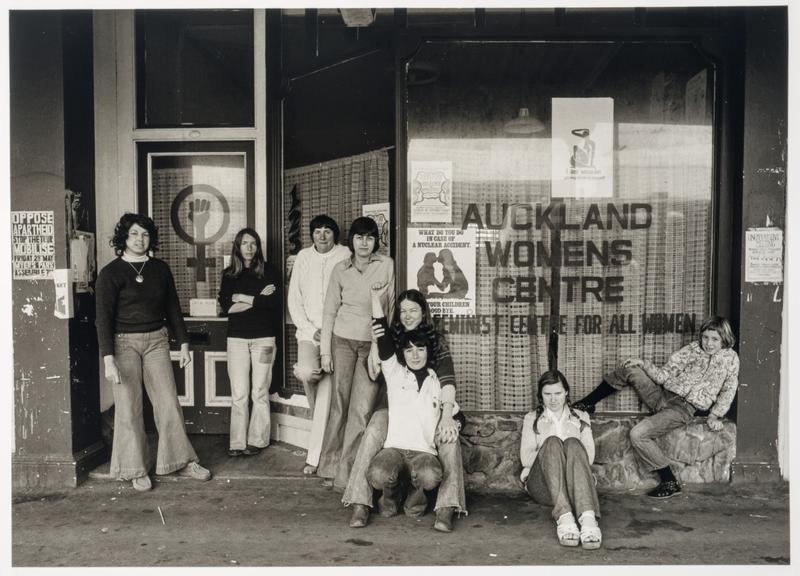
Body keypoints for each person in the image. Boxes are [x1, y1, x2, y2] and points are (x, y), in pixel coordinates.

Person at [95, 213, 211, 492]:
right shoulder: (110, 273)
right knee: (128, 406)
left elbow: (172, 307)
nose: (140, 239)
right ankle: (134, 468)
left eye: (145, 234)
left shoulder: (159, 269)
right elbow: (103, 319)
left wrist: (183, 343)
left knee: (168, 401)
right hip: (123, 344)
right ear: (124, 237)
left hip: (157, 341)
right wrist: (108, 359)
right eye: (134, 234)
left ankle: (181, 461)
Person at [572, 315, 740, 499]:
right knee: (630, 369)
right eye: (705, 337)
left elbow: (729, 389)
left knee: (638, 434)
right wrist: (643, 364)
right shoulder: (691, 349)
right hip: (661, 396)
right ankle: (587, 403)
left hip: (683, 409)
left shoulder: (730, 359)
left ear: (724, 338)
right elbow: (664, 375)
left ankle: (669, 481)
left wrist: (715, 415)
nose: (708, 343)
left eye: (715, 339)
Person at [344, 289, 465, 532]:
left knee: (449, 434)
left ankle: (446, 507)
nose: (408, 316)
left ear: (423, 312)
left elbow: (448, 381)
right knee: (375, 428)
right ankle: (360, 502)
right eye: (403, 311)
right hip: (394, 407)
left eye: (413, 310)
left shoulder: (435, 341)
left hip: (429, 408)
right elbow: (377, 369)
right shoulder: (392, 337)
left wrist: (448, 416)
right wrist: (377, 342)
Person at [318, 216, 395, 490]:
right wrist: (325, 351)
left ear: (376, 241)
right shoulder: (340, 269)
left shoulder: (386, 265)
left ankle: (347, 473)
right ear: (351, 240)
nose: (364, 243)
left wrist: (379, 348)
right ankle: (328, 466)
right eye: (359, 237)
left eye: (370, 237)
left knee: (361, 411)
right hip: (342, 342)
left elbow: (391, 309)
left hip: (370, 345)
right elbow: (329, 311)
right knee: (339, 404)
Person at [287, 215, 351, 475]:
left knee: (326, 393)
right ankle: (324, 436)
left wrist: (332, 331)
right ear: (311, 235)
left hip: (337, 333)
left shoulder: (346, 253)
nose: (322, 236)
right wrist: (313, 331)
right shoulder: (303, 257)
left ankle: (315, 456)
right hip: (308, 332)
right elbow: (295, 300)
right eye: (317, 231)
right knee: (306, 372)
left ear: (335, 234)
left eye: (327, 231)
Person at [218, 228, 281, 457]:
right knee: (240, 393)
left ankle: (257, 440)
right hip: (237, 341)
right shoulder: (229, 274)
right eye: (245, 243)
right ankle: (237, 442)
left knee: (260, 391)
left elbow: (273, 303)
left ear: (258, 247)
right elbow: (228, 308)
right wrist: (258, 298)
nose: (249, 247)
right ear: (238, 246)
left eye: (253, 243)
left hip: (264, 339)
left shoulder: (270, 271)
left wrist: (242, 298)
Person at [520, 370, 601, 549]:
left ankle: (588, 520)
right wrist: (552, 450)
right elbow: (526, 458)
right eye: (547, 394)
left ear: (566, 392)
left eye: (557, 393)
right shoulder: (532, 418)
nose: (553, 399)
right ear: (541, 395)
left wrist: (568, 445)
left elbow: (589, 456)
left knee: (572, 442)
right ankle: (564, 518)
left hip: (577, 489)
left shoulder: (581, 417)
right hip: (544, 486)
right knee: (552, 443)